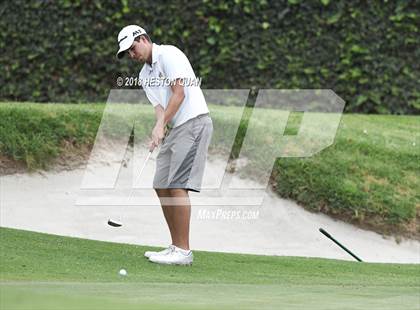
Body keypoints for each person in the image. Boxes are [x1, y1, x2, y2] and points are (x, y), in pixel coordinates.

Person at [116, 25, 213, 265]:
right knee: (161, 184)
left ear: (144, 39)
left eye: (132, 48)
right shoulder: (144, 75)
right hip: (177, 127)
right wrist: (158, 128)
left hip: (194, 123)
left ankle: (184, 251)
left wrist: (163, 124)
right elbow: (160, 107)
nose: (132, 55)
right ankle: (175, 247)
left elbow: (179, 94)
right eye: (127, 52)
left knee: (178, 185)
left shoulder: (169, 54)